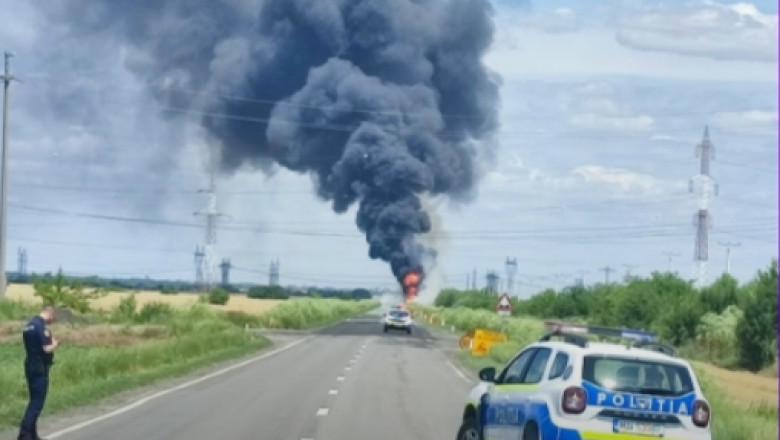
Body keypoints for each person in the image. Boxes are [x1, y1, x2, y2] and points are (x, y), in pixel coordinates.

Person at [18, 305, 59, 440]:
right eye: (53, 318)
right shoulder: (41, 327)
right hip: (39, 367)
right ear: (50, 314)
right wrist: (55, 344)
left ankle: (32, 435)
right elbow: (46, 349)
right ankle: (24, 434)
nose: (51, 321)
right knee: (37, 403)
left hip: (30, 364)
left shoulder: (28, 325)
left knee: (33, 400)